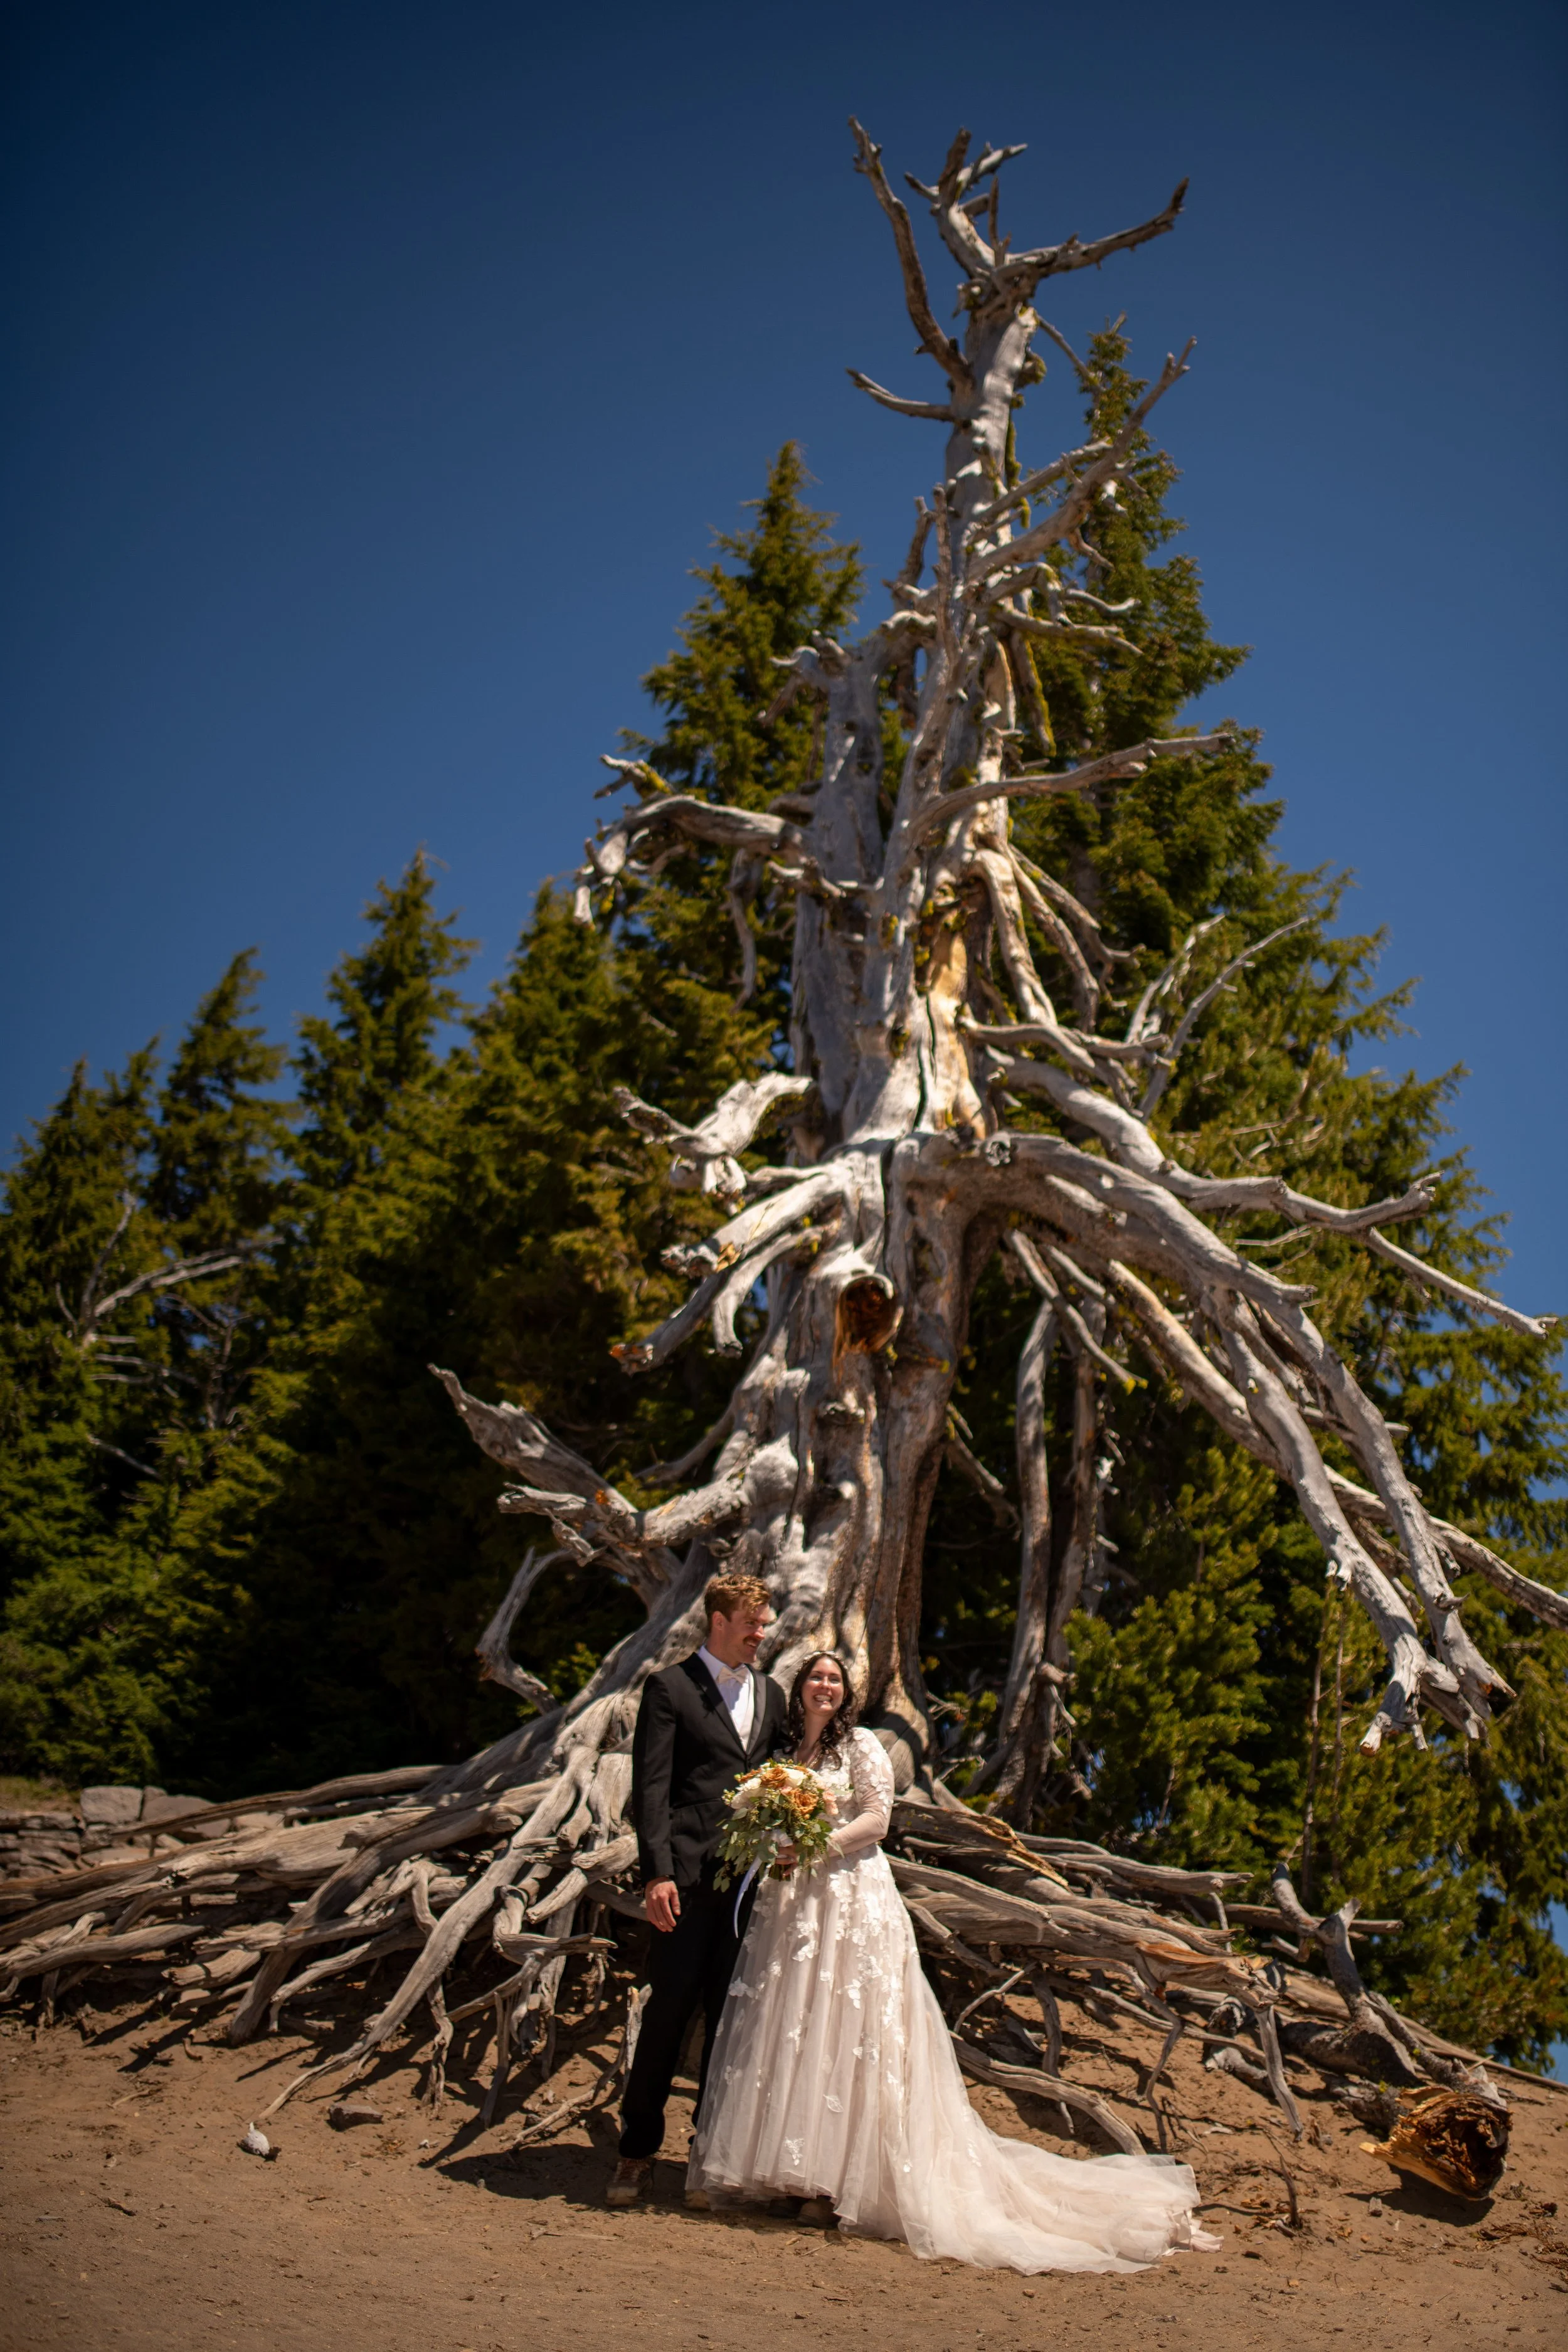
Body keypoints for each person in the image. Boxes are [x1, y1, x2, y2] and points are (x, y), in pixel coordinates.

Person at [687, 1652, 1219, 2274]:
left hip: (851, 1901)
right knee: (795, 2028)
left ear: (845, 1692)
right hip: (795, 1908)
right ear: (799, 1689)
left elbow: (876, 1821)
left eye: (833, 1680)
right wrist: (777, 1845)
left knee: (848, 2032)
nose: (823, 1687)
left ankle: (833, 2187)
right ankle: (789, 2174)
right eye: (814, 1679)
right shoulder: (785, 1760)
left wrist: (815, 1846)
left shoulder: (859, 1746)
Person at [607, 1570, 788, 2208]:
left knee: (730, 2025)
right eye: (752, 1624)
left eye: (763, 1625)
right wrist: (656, 1874)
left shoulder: (771, 1693)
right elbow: (651, 1788)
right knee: (667, 2015)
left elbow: (782, 1776)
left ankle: (706, 2158)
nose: (760, 1634)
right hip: (685, 1881)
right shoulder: (669, 1688)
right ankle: (636, 2152)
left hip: (748, 1888)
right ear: (719, 1621)